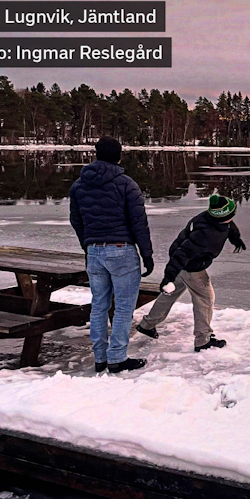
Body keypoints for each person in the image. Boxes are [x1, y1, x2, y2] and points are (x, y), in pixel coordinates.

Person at [69, 137, 154, 374]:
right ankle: (116, 357)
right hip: (121, 250)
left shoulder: (78, 185)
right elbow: (139, 223)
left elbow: (77, 220)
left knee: (99, 305)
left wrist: (87, 245)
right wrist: (147, 254)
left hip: (94, 251)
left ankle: (100, 358)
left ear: (96, 154)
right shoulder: (126, 184)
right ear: (119, 155)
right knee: (124, 307)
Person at [136, 194, 246, 351]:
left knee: (171, 294)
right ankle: (203, 339)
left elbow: (229, 226)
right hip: (191, 266)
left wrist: (236, 239)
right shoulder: (204, 234)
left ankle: (147, 324)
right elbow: (181, 254)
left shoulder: (213, 218)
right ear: (225, 216)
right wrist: (168, 278)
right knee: (205, 298)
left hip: (186, 264)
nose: (234, 215)